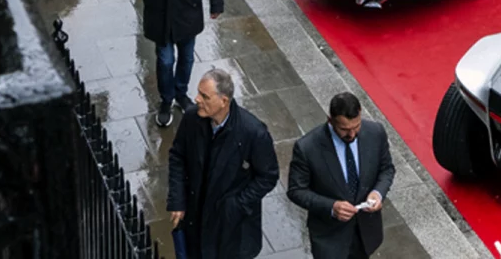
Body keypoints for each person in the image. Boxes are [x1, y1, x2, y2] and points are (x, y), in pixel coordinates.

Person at [166, 69, 278, 259]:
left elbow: (268, 176)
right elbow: (178, 156)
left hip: (230, 230)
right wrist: (177, 200)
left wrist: (237, 205)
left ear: (224, 101)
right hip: (196, 217)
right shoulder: (192, 118)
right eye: (198, 93)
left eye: (205, 96)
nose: (197, 99)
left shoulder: (253, 132)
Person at [128, 0, 224, 127]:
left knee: (186, 56)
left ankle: (181, 93)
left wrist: (216, 1)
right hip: (160, 7)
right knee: (165, 59)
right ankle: (166, 99)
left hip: (187, 5)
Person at [287, 92, 397, 259]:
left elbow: (386, 169)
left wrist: (378, 193)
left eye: (356, 126)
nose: (352, 134)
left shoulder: (376, 132)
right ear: (330, 120)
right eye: (344, 129)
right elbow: (296, 190)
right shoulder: (307, 148)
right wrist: (332, 207)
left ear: (360, 113)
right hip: (330, 239)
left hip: (366, 233)